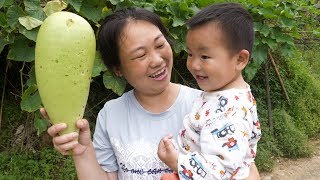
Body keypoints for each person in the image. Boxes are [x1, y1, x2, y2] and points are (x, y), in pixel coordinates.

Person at [43, 7, 261, 179]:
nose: (157, 60)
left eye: (159, 45)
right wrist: (83, 152)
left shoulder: (210, 106)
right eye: (140, 55)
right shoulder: (111, 115)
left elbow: (242, 172)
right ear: (117, 69)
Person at [157, 2, 262, 180]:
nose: (194, 65)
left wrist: (177, 161)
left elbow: (222, 170)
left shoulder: (231, 110)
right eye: (190, 54)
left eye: (204, 56)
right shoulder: (222, 95)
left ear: (240, 59)